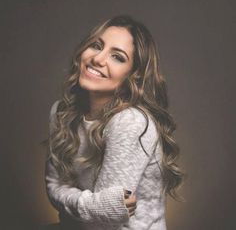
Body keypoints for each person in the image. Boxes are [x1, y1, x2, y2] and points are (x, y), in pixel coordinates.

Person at [44, 15, 184, 230]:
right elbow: (54, 187)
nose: (98, 59)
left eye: (117, 57)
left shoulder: (130, 122)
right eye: (96, 46)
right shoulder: (61, 112)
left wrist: (78, 204)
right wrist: (93, 205)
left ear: (134, 76)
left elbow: (104, 222)